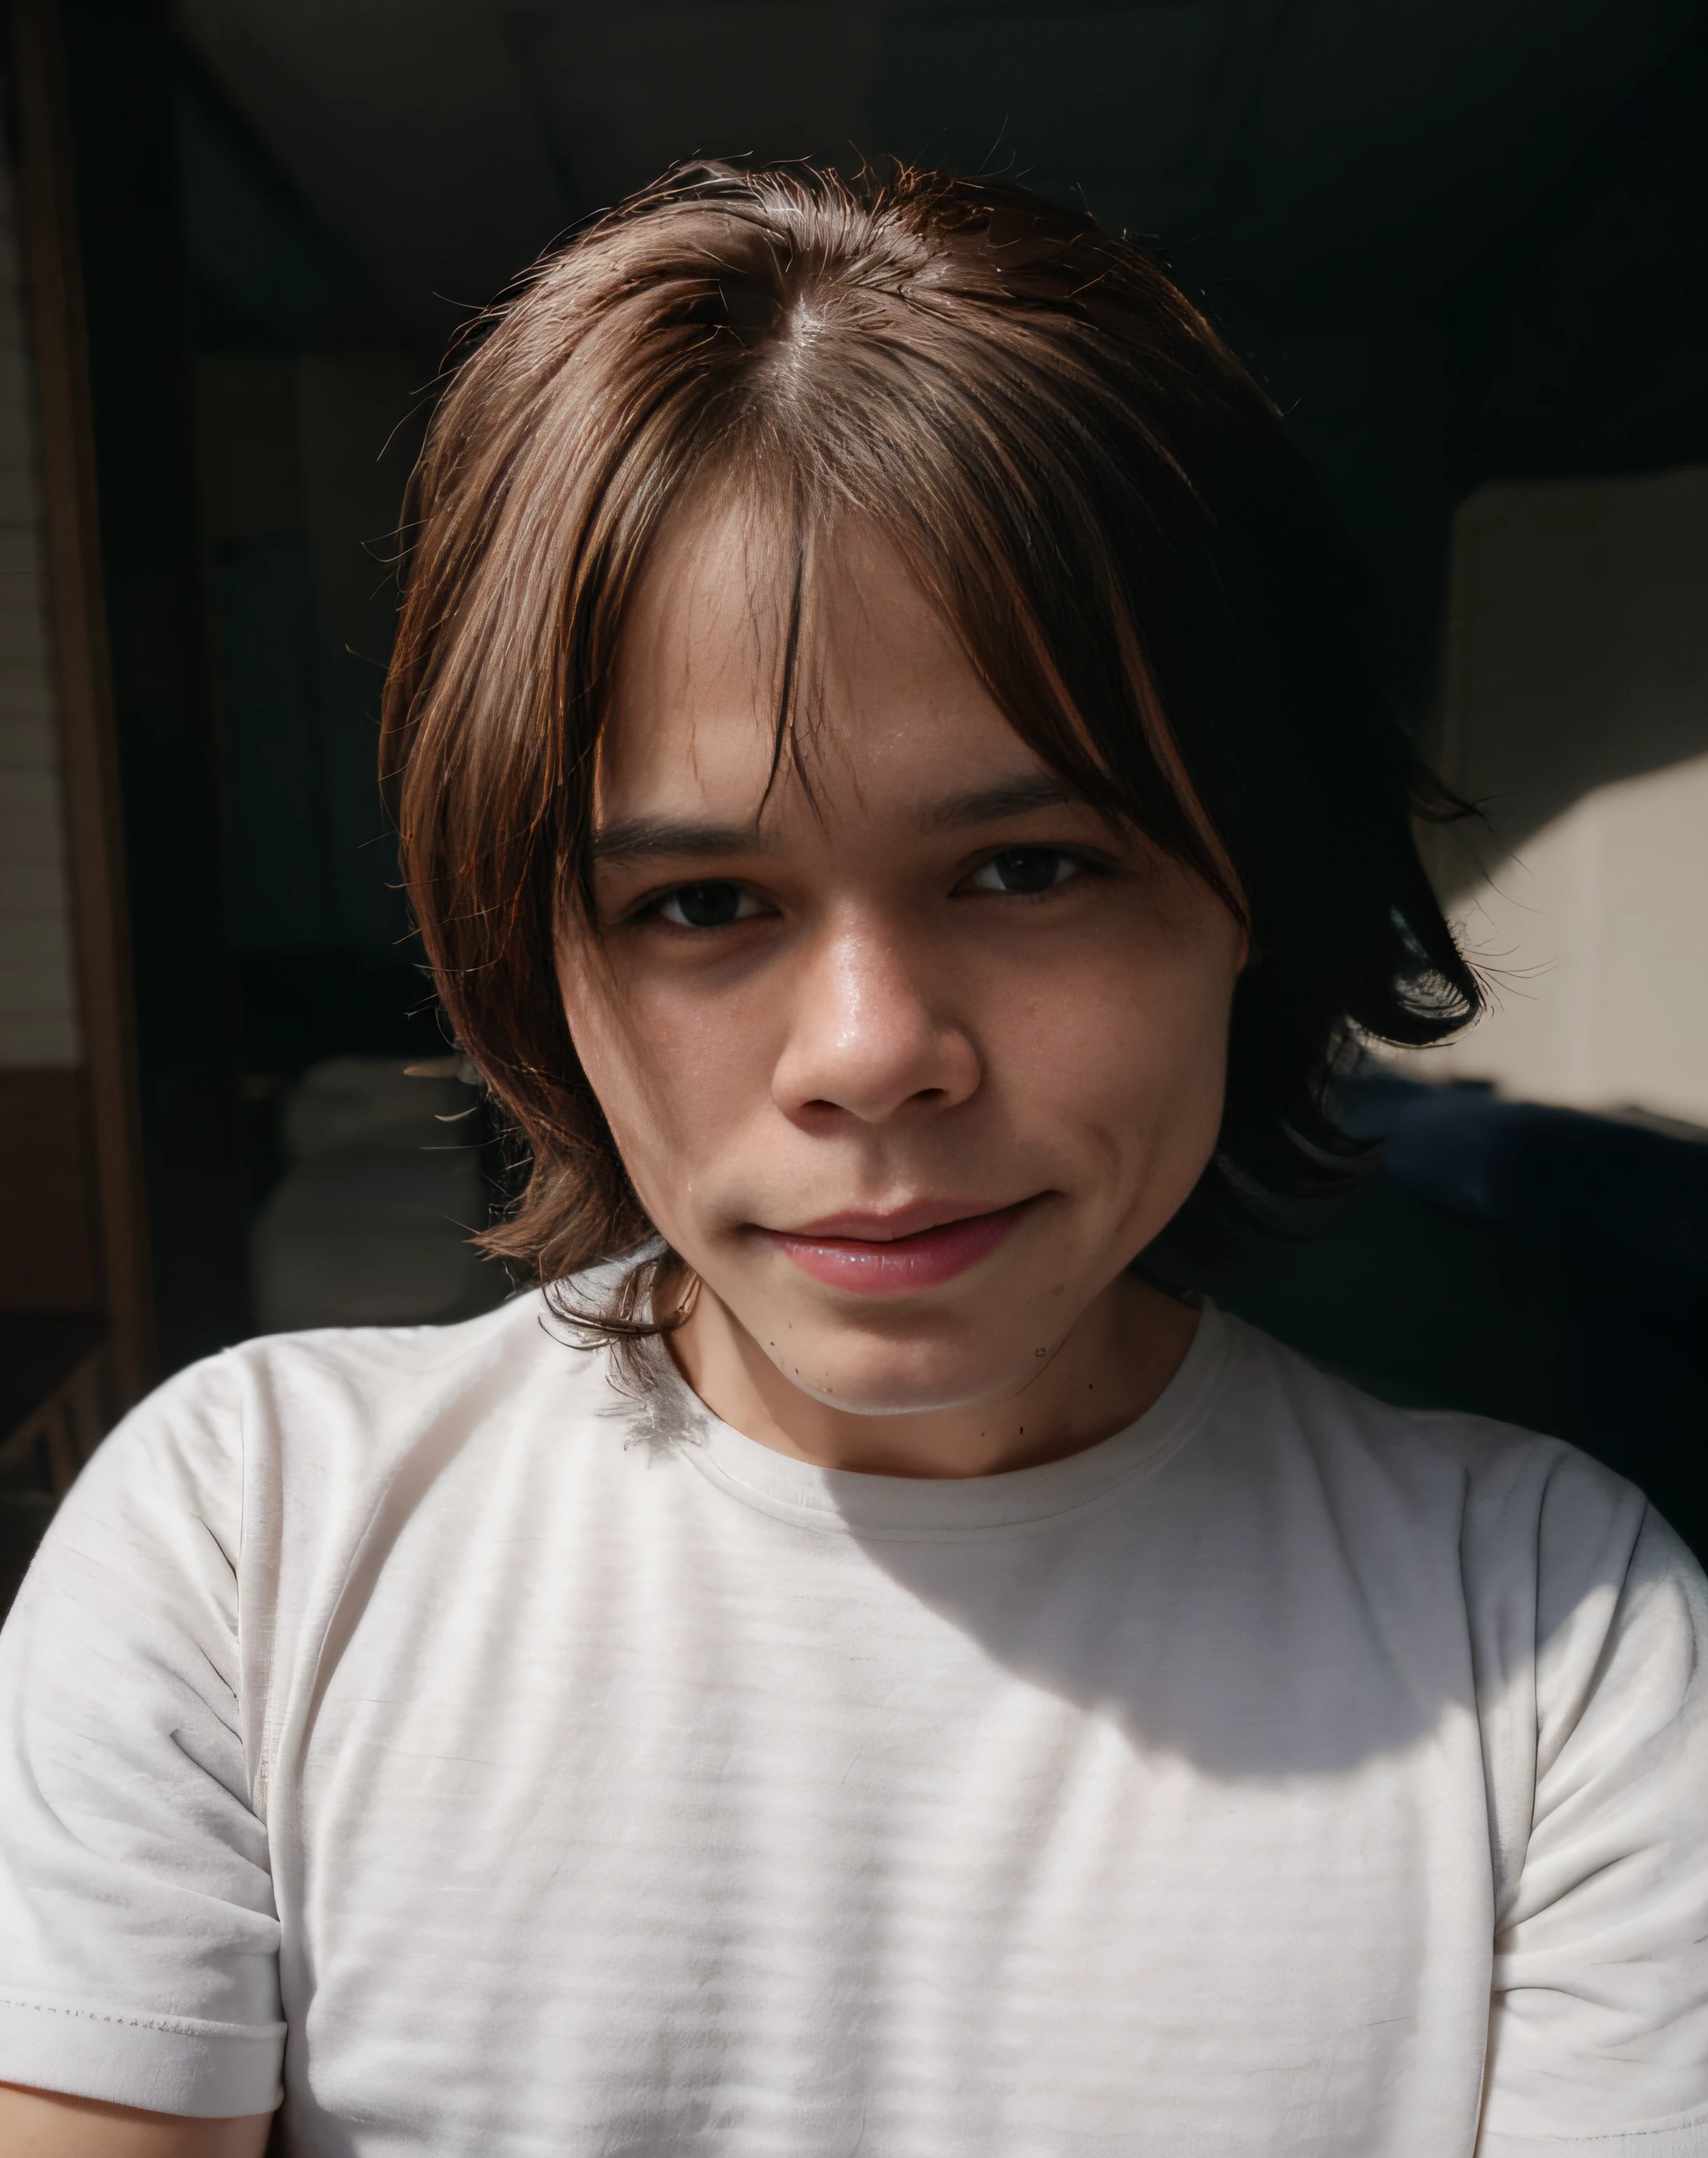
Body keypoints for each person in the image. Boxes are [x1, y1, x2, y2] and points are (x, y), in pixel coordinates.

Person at [1, 162, 1704, 2158]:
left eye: (1029, 868)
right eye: (704, 903)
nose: (874, 1053)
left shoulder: (1555, 1637)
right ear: (527, 954)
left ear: (1262, 886)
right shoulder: (251, 1545)